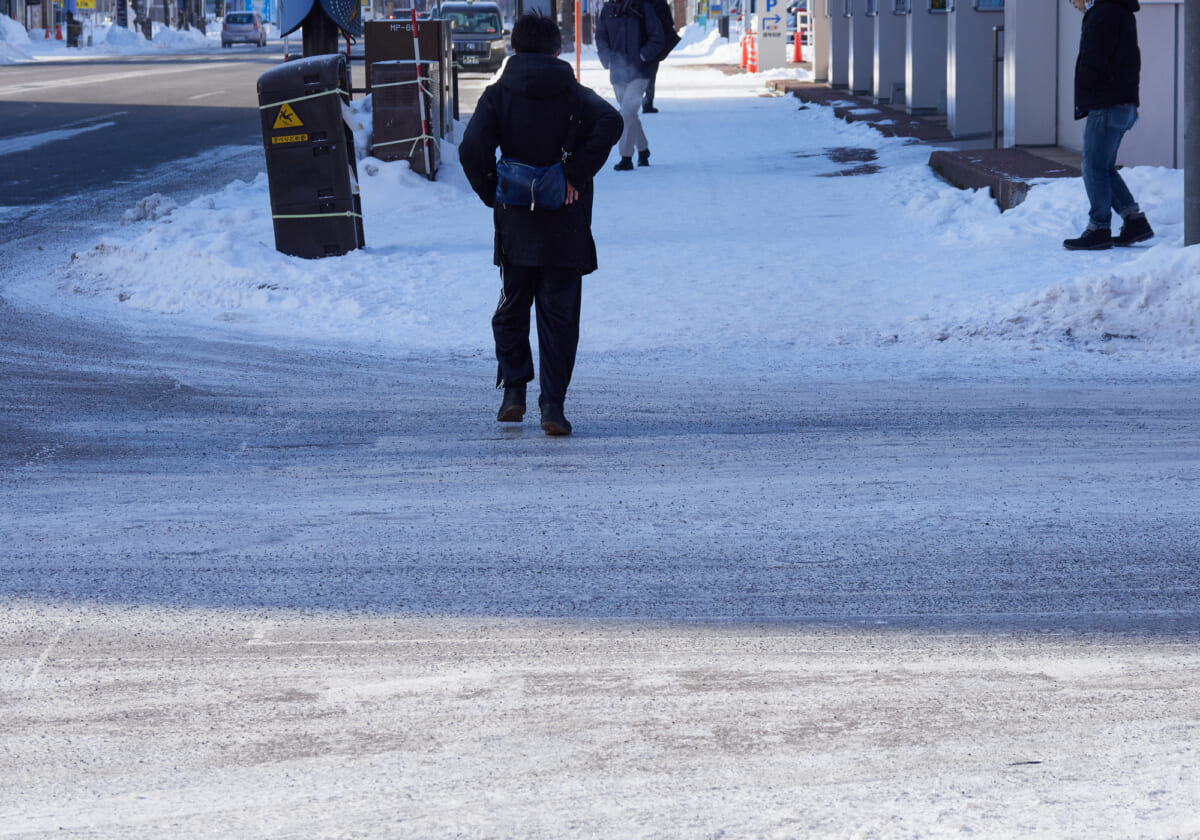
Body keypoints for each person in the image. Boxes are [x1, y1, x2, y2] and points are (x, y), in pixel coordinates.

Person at [459, 14, 623, 436]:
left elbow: (472, 148)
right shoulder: (573, 92)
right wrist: (575, 175)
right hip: (565, 226)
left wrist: (493, 191)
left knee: (512, 308)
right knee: (560, 317)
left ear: (513, 49)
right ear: (556, 50)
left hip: (516, 227)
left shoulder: (497, 95)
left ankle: (513, 391)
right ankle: (553, 406)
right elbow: (611, 122)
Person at [1063, 0, 1154, 251]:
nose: (1072, 3)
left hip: (1107, 102)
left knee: (1093, 166)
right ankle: (1134, 221)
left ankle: (1099, 228)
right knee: (1103, 167)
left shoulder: (1104, 13)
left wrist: (1086, 93)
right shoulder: (1116, 10)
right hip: (1121, 102)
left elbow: (1094, 59)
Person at [596, 0, 666, 170]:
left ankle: (626, 157)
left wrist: (643, 55)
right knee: (630, 115)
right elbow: (601, 36)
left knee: (626, 113)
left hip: (641, 72)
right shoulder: (608, 10)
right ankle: (643, 150)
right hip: (618, 72)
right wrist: (607, 59)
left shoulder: (644, 7)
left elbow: (658, 37)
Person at [641, 0, 681, 114]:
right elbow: (670, 22)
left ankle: (630, 103)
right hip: (655, 43)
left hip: (638, 42)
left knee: (634, 74)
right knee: (651, 74)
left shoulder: (635, 3)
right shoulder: (660, 3)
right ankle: (648, 103)